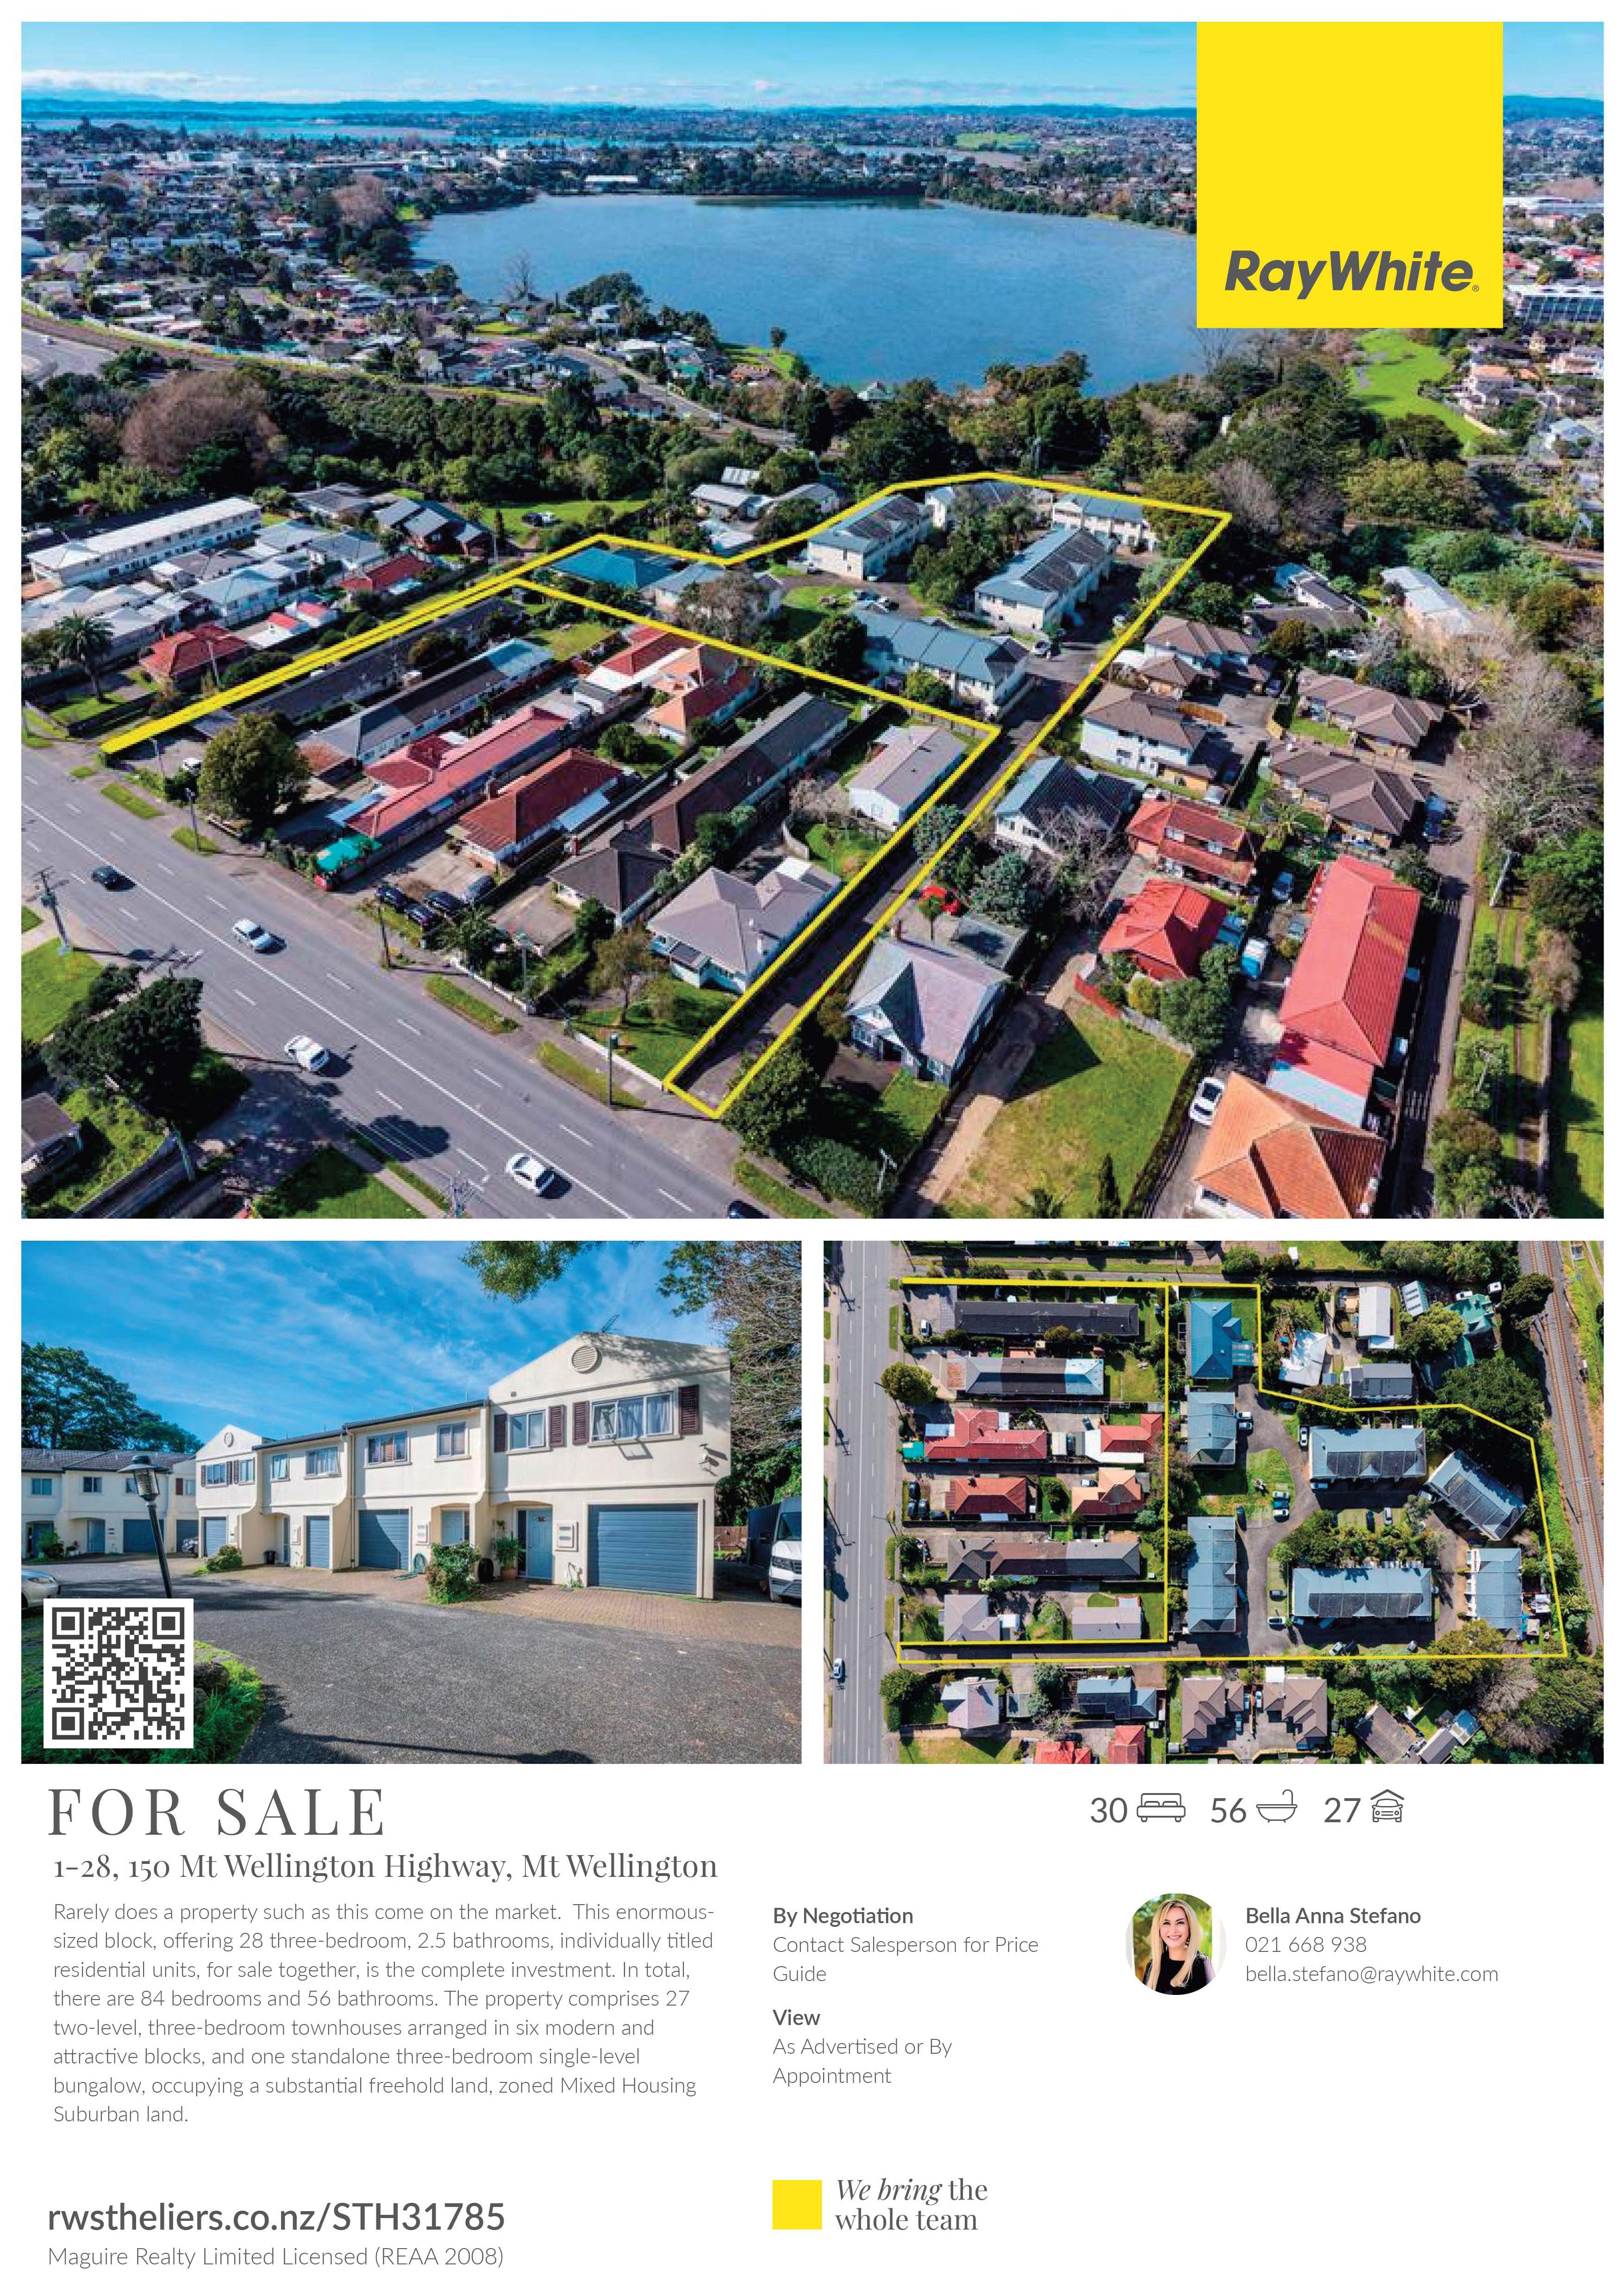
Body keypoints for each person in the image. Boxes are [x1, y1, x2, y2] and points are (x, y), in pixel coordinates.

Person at [1138, 1896, 1213, 1994]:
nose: (1173, 1930)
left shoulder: (1201, 1964)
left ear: (1190, 1927)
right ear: (1159, 1929)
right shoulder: (1152, 1967)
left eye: (1180, 1923)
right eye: (1166, 1923)